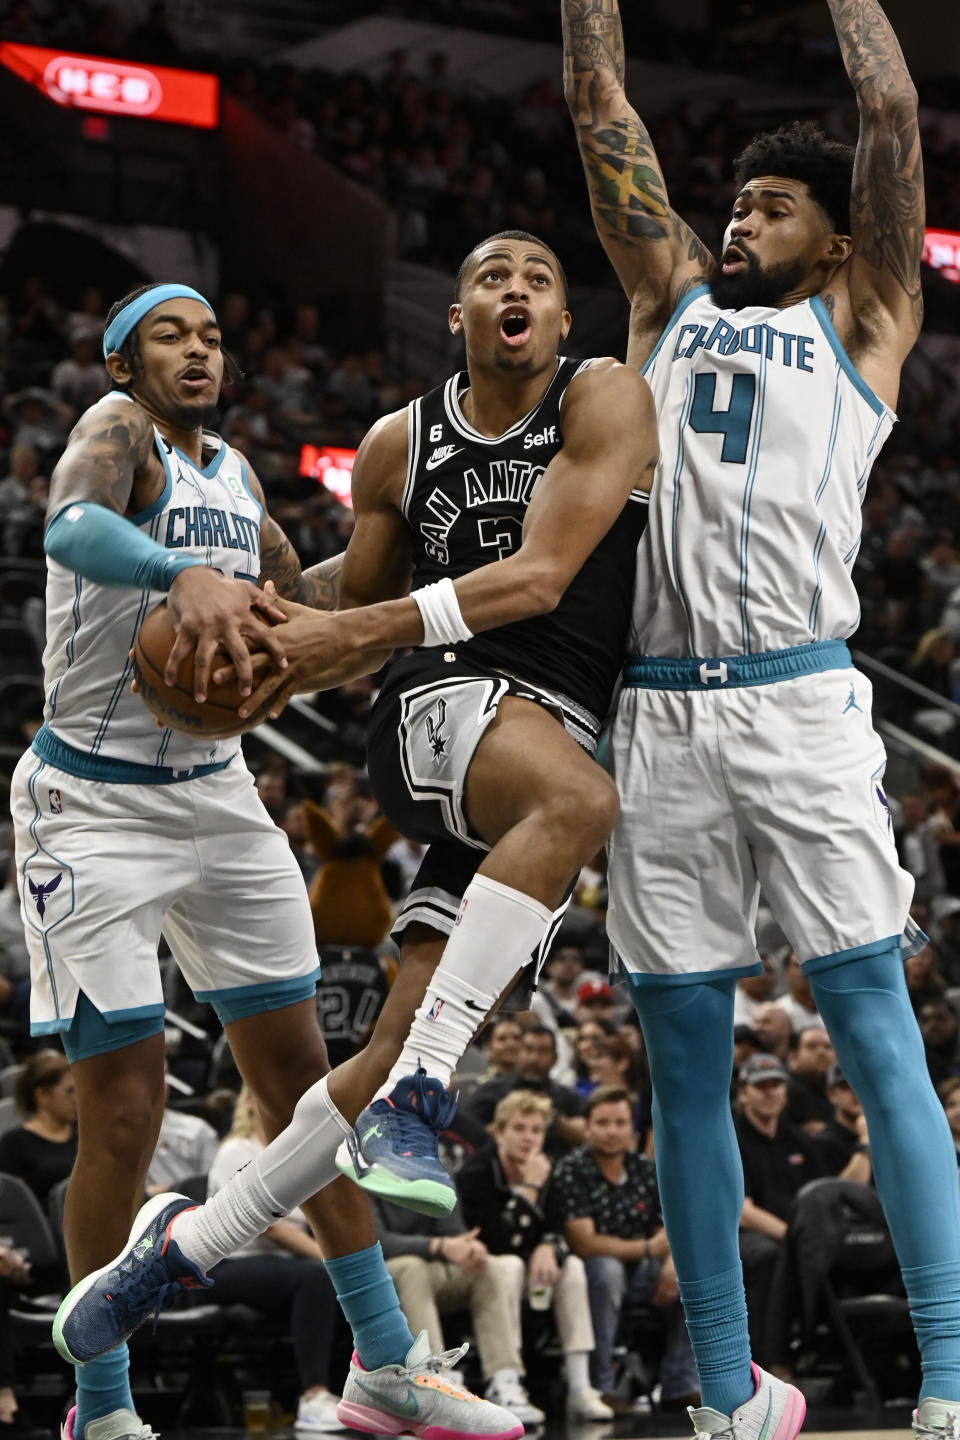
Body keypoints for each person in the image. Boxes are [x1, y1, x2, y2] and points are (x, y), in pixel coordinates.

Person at [51, 235, 657, 1392]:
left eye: (537, 273)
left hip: (532, 740)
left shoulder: (602, 397)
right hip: (444, 709)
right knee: (583, 801)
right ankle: (425, 1100)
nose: (515, 287)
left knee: (368, 1058)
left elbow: (474, 588)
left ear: (564, 317)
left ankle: (188, 1244)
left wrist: (303, 628)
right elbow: (347, 606)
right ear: (456, 314)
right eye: (490, 273)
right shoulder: (392, 441)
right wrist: (236, 625)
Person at [16, 281, 521, 1440]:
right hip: (89, 805)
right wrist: (176, 575)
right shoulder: (119, 434)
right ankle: (101, 1406)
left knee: (308, 1095)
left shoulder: (243, 486)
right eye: (168, 337)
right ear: (123, 363)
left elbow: (315, 615)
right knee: (128, 1114)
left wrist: (422, 567)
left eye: (208, 334)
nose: (197, 350)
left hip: (219, 795)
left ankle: (385, 1368)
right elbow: (69, 527)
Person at [561, 2, 960, 1438]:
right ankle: (729, 1393)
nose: (737, 220)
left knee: (871, 1027)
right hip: (659, 714)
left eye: (774, 206)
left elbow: (896, 122)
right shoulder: (664, 304)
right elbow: (599, 99)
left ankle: (953, 1381)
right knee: (680, 1053)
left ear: (840, 242)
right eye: (732, 201)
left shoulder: (866, 317)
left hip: (800, 701)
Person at [456, 1089, 613, 1422]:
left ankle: (580, 1386)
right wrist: (529, 1189)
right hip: (484, 1274)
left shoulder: (548, 1169)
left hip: (532, 1276)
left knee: (570, 1267)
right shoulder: (476, 1173)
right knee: (509, 1265)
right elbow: (498, 1242)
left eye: (536, 1130)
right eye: (519, 1128)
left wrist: (549, 1246)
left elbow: (560, 1229)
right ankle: (505, 1382)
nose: (528, 1138)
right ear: (498, 1132)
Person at [205, 1089, 348, 1434]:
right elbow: (270, 1227)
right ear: (250, 1102)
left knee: (347, 1282)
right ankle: (313, 1397)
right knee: (317, 1277)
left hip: (283, 1265)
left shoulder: (297, 1156)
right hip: (227, 1263)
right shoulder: (237, 1151)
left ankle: (351, 1395)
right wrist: (330, 1257)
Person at [547, 1085, 699, 1412]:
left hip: (642, 1272)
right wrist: (647, 1248)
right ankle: (600, 1385)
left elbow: (667, 1229)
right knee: (606, 1270)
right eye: (602, 1123)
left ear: (632, 1128)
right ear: (587, 1128)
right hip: (587, 1274)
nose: (611, 1131)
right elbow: (584, 1243)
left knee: (694, 1271)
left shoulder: (646, 1169)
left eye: (619, 1122)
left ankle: (681, 1381)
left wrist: (674, 1262)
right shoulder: (571, 1169)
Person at [369, 1188, 545, 1428]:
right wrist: (439, 1246)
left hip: (433, 1267)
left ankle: (504, 1380)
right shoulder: (363, 1171)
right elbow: (377, 1241)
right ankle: (433, 1379)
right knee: (413, 1268)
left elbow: (452, 1232)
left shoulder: (432, 1166)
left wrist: (469, 1247)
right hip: (381, 1271)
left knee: (488, 1267)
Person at [465, 1024, 586, 1160]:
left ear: (554, 1059)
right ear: (518, 1053)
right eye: (528, 1050)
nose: (534, 1058)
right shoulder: (490, 1090)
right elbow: (468, 1132)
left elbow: (587, 1135)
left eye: (542, 1051)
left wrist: (553, 1117)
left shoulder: (566, 1095)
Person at [0, 1051, 77, 1207]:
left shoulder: (83, 1138)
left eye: (78, 1091)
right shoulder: (14, 1143)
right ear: (41, 1095)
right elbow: (14, 1205)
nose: (77, 1099)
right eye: (69, 1091)